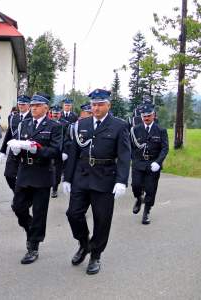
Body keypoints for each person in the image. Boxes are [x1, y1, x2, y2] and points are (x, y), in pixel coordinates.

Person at [63, 89, 131, 275]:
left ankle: (95, 255)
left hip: (105, 178)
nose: (96, 107)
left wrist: (122, 181)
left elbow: (124, 155)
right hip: (82, 176)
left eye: (100, 104)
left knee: (102, 220)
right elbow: (74, 153)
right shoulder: (81, 124)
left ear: (108, 105)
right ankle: (84, 243)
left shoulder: (119, 125)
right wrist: (67, 178)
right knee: (73, 214)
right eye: (94, 104)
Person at [6, 93, 63, 264]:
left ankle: (33, 246)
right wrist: (14, 152)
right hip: (24, 171)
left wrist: (36, 149)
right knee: (18, 207)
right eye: (32, 106)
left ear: (46, 108)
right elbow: (17, 144)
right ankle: (30, 229)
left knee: (39, 211)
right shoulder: (25, 124)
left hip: (42, 172)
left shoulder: (54, 126)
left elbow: (55, 151)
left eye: (37, 106)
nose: (33, 108)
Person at [130, 103, 169, 224]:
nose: (146, 118)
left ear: (154, 115)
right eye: (144, 116)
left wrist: (158, 162)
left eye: (149, 116)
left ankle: (146, 211)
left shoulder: (161, 130)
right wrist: (132, 160)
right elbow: (130, 146)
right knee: (136, 186)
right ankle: (138, 198)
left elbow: (165, 148)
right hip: (138, 163)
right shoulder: (136, 129)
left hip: (153, 164)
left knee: (151, 189)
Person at [0, 95, 32, 192]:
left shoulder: (32, 117)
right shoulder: (14, 117)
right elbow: (9, 133)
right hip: (13, 151)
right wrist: (3, 150)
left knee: (25, 176)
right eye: (19, 104)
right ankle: (17, 192)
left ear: (28, 105)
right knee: (8, 175)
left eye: (23, 104)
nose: (21, 106)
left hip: (26, 151)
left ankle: (22, 196)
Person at [50, 104, 70, 198]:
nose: (55, 115)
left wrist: (65, 151)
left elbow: (67, 138)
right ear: (51, 113)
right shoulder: (47, 122)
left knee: (56, 172)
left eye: (57, 113)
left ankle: (54, 189)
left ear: (60, 114)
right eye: (54, 113)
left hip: (59, 151)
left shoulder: (65, 124)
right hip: (49, 151)